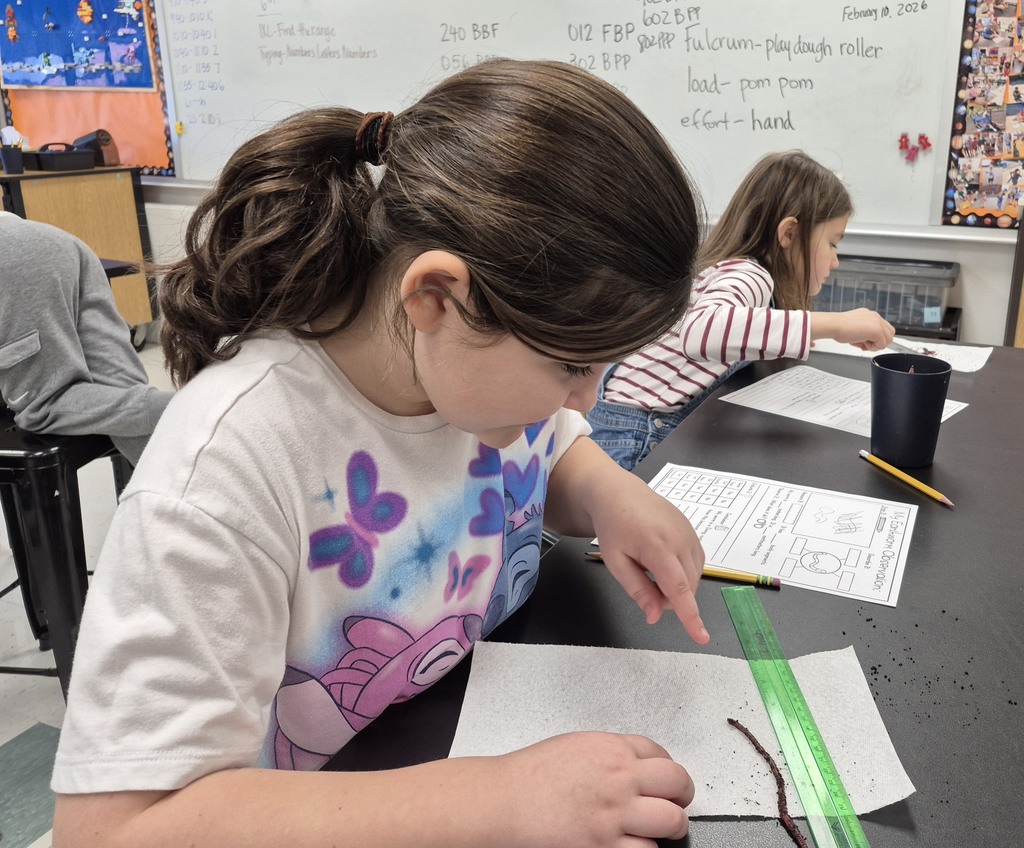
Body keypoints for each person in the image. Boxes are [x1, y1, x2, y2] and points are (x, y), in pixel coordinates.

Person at [51, 59, 711, 848]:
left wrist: (607, 491)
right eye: (573, 365)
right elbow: (114, 830)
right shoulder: (225, 471)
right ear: (436, 296)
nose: (588, 400)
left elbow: (549, 445)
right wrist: (495, 802)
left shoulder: (468, 376)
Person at [587, 150, 896, 471]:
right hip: (637, 432)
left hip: (627, 421)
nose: (835, 260)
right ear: (789, 233)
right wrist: (836, 325)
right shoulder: (749, 274)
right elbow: (702, 331)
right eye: (833, 243)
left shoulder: (730, 271)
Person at [0, 212, 172, 466]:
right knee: (118, 391)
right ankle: (183, 491)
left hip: (12, 257)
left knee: (43, 406)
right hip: (55, 241)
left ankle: (182, 408)